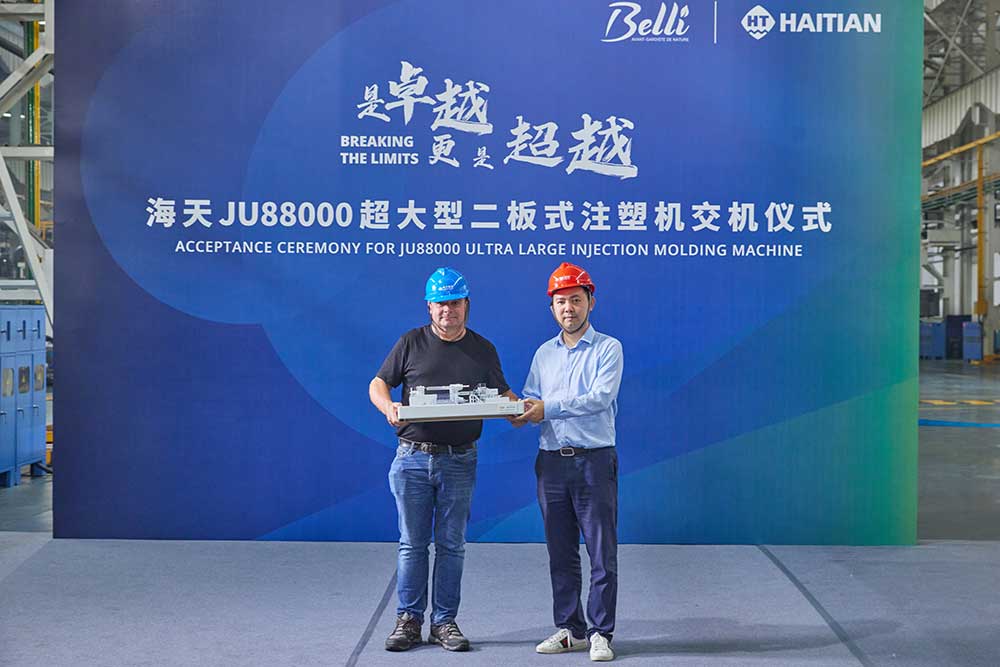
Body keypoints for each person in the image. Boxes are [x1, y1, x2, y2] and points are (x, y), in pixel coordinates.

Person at [369, 267, 515, 653]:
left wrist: (520, 410)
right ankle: (408, 620)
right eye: (440, 304)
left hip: (459, 460)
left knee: (452, 544)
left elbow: (503, 394)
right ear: (429, 307)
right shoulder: (410, 343)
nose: (447, 310)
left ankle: (444, 622)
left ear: (467, 304)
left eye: (454, 303)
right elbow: (378, 383)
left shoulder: (483, 349)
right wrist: (388, 406)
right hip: (413, 458)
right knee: (412, 544)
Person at [511, 262, 624, 662]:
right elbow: (531, 397)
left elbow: (600, 398)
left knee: (601, 552)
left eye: (576, 300)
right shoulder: (544, 354)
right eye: (561, 302)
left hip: (594, 461)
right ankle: (571, 629)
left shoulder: (608, 349)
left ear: (591, 302)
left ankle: (600, 632)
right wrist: (519, 412)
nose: (568, 309)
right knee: (560, 553)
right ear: (552, 308)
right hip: (552, 464)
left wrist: (546, 408)